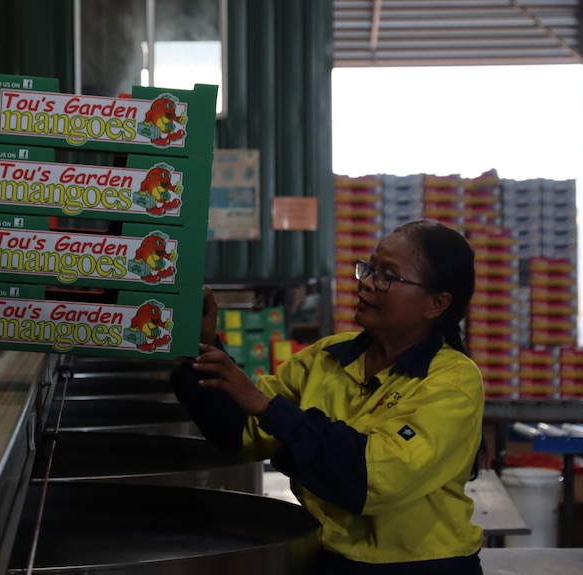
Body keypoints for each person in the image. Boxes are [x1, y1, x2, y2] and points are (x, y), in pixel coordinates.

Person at [173, 219, 486, 575]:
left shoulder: (453, 381)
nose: (366, 283)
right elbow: (244, 434)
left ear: (435, 303)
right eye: (369, 268)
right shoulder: (327, 357)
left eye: (387, 276)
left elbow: (372, 480)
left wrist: (269, 409)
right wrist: (200, 345)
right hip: (328, 559)